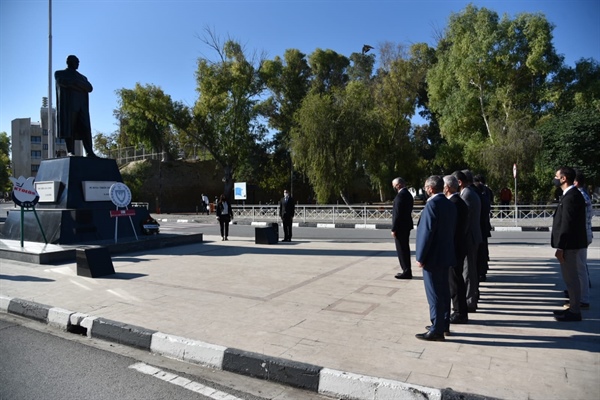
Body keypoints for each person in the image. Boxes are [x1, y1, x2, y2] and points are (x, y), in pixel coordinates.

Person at [415, 175, 457, 341]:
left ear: (431, 188)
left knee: (434, 294)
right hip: (446, 254)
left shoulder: (432, 205)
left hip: (433, 257)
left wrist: (420, 256)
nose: (425, 190)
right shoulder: (449, 204)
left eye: (426, 187)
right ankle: (443, 323)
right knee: (444, 292)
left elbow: (427, 233)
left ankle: (436, 329)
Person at [551, 167, 588, 322]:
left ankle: (574, 311)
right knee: (570, 278)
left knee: (571, 278)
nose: (555, 178)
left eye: (556, 176)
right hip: (571, 244)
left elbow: (567, 224)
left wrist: (561, 247)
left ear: (564, 178)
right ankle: (573, 308)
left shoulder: (572, 196)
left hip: (569, 246)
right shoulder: (570, 195)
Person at [54, 55, 96, 157]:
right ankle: (70, 151)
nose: (78, 63)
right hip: (69, 106)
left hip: (82, 107)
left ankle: (89, 152)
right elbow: (63, 83)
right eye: (76, 61)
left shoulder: (82, 77)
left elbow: (89, 88)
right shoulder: (60, 73)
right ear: (69, 62)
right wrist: (79, 85)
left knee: (86, 128)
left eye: (78, 62)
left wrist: (74, 83)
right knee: (70, 129)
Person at [452, 170, 482, 312]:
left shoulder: (467, 195)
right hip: (472, 236)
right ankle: (472, 297)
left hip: (469, 237)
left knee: (468, 271)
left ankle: (470, 301)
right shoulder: (468, 193)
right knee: (469, 270)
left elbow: (465, 220)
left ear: (459, 182)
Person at [443, 175, 469, 324]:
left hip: (454, 248)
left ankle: (459, 312)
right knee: (457, 280)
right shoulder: (459, 201)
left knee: (454, 281)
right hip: (459, 246)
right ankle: (460, 311)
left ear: (447, 187)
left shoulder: (453, 203)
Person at [566, 169, 593, 309]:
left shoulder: (580, 196)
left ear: (575, 182)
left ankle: (583, 298)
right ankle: (579, 294)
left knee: (580, 268)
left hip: (581, 236)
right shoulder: (585, 195)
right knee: (580, 267)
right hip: (585, 234)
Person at [391, 177, 414, 279]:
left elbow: (397, 214)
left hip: (400, 227)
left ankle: (406, 270)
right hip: (406, 226)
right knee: (405, 248)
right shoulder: (408, 195)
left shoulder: (400, 196)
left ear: (398, 185)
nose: (394, 188)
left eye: (394, 186)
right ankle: (407, 269)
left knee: (401, 250)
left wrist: (394, 229)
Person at [473, 174, 492, 282]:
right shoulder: (486, 192)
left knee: (480, 251)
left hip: (480, 226)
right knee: (483, 249)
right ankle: (483, 269)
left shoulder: (478, 194)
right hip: (484, 225)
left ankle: (481, 271)